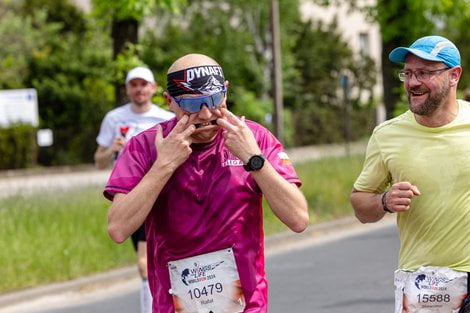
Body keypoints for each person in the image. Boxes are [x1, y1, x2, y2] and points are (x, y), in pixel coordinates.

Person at [103, 53, 309, 313]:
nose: (206, 114)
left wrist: (253, 159)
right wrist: (165, 165)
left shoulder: (253, 138)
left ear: (226, 91)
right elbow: (118, 229)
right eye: (192, 104)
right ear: (169, 102)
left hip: (247, 307)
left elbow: (299, 219)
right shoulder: (145, 147)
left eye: (214, 100)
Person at [350, 35, 470, 313]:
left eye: (425, 73)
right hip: (425, 281)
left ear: (454, 76)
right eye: (409, 72)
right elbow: (359, 204)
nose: (413, 82)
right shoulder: (387, 135)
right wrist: (383, 201)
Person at [94, 66, 174, 313]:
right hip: (130, 194)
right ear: (128, 89)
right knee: (146, 262)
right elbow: (98, 160)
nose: (139, 89)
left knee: (148, 261)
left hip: (161, 193)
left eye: (144, 84)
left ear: (153, 88)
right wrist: (112, 150)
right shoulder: (114, 119)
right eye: (134, 85)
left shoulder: (164, 118)